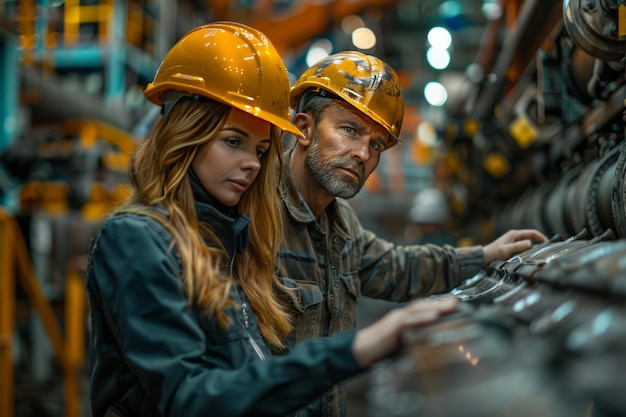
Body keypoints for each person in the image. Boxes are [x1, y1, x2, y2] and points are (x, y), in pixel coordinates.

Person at [85, 22, 460, 417]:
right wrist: (353, 350)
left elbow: (247, 373)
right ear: (186, 134)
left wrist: (485, 257)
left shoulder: (230, 236)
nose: (252, 163)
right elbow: (191, 398)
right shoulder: (137, 239)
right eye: (233, 142)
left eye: (262, 149)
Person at [276, 51, 548, 416]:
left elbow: (396, 267)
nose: (362, 154)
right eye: (349, 130)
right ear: (305, 128)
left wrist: (485, 255)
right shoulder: (256, 216)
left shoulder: (339, 225)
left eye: (375, 145)